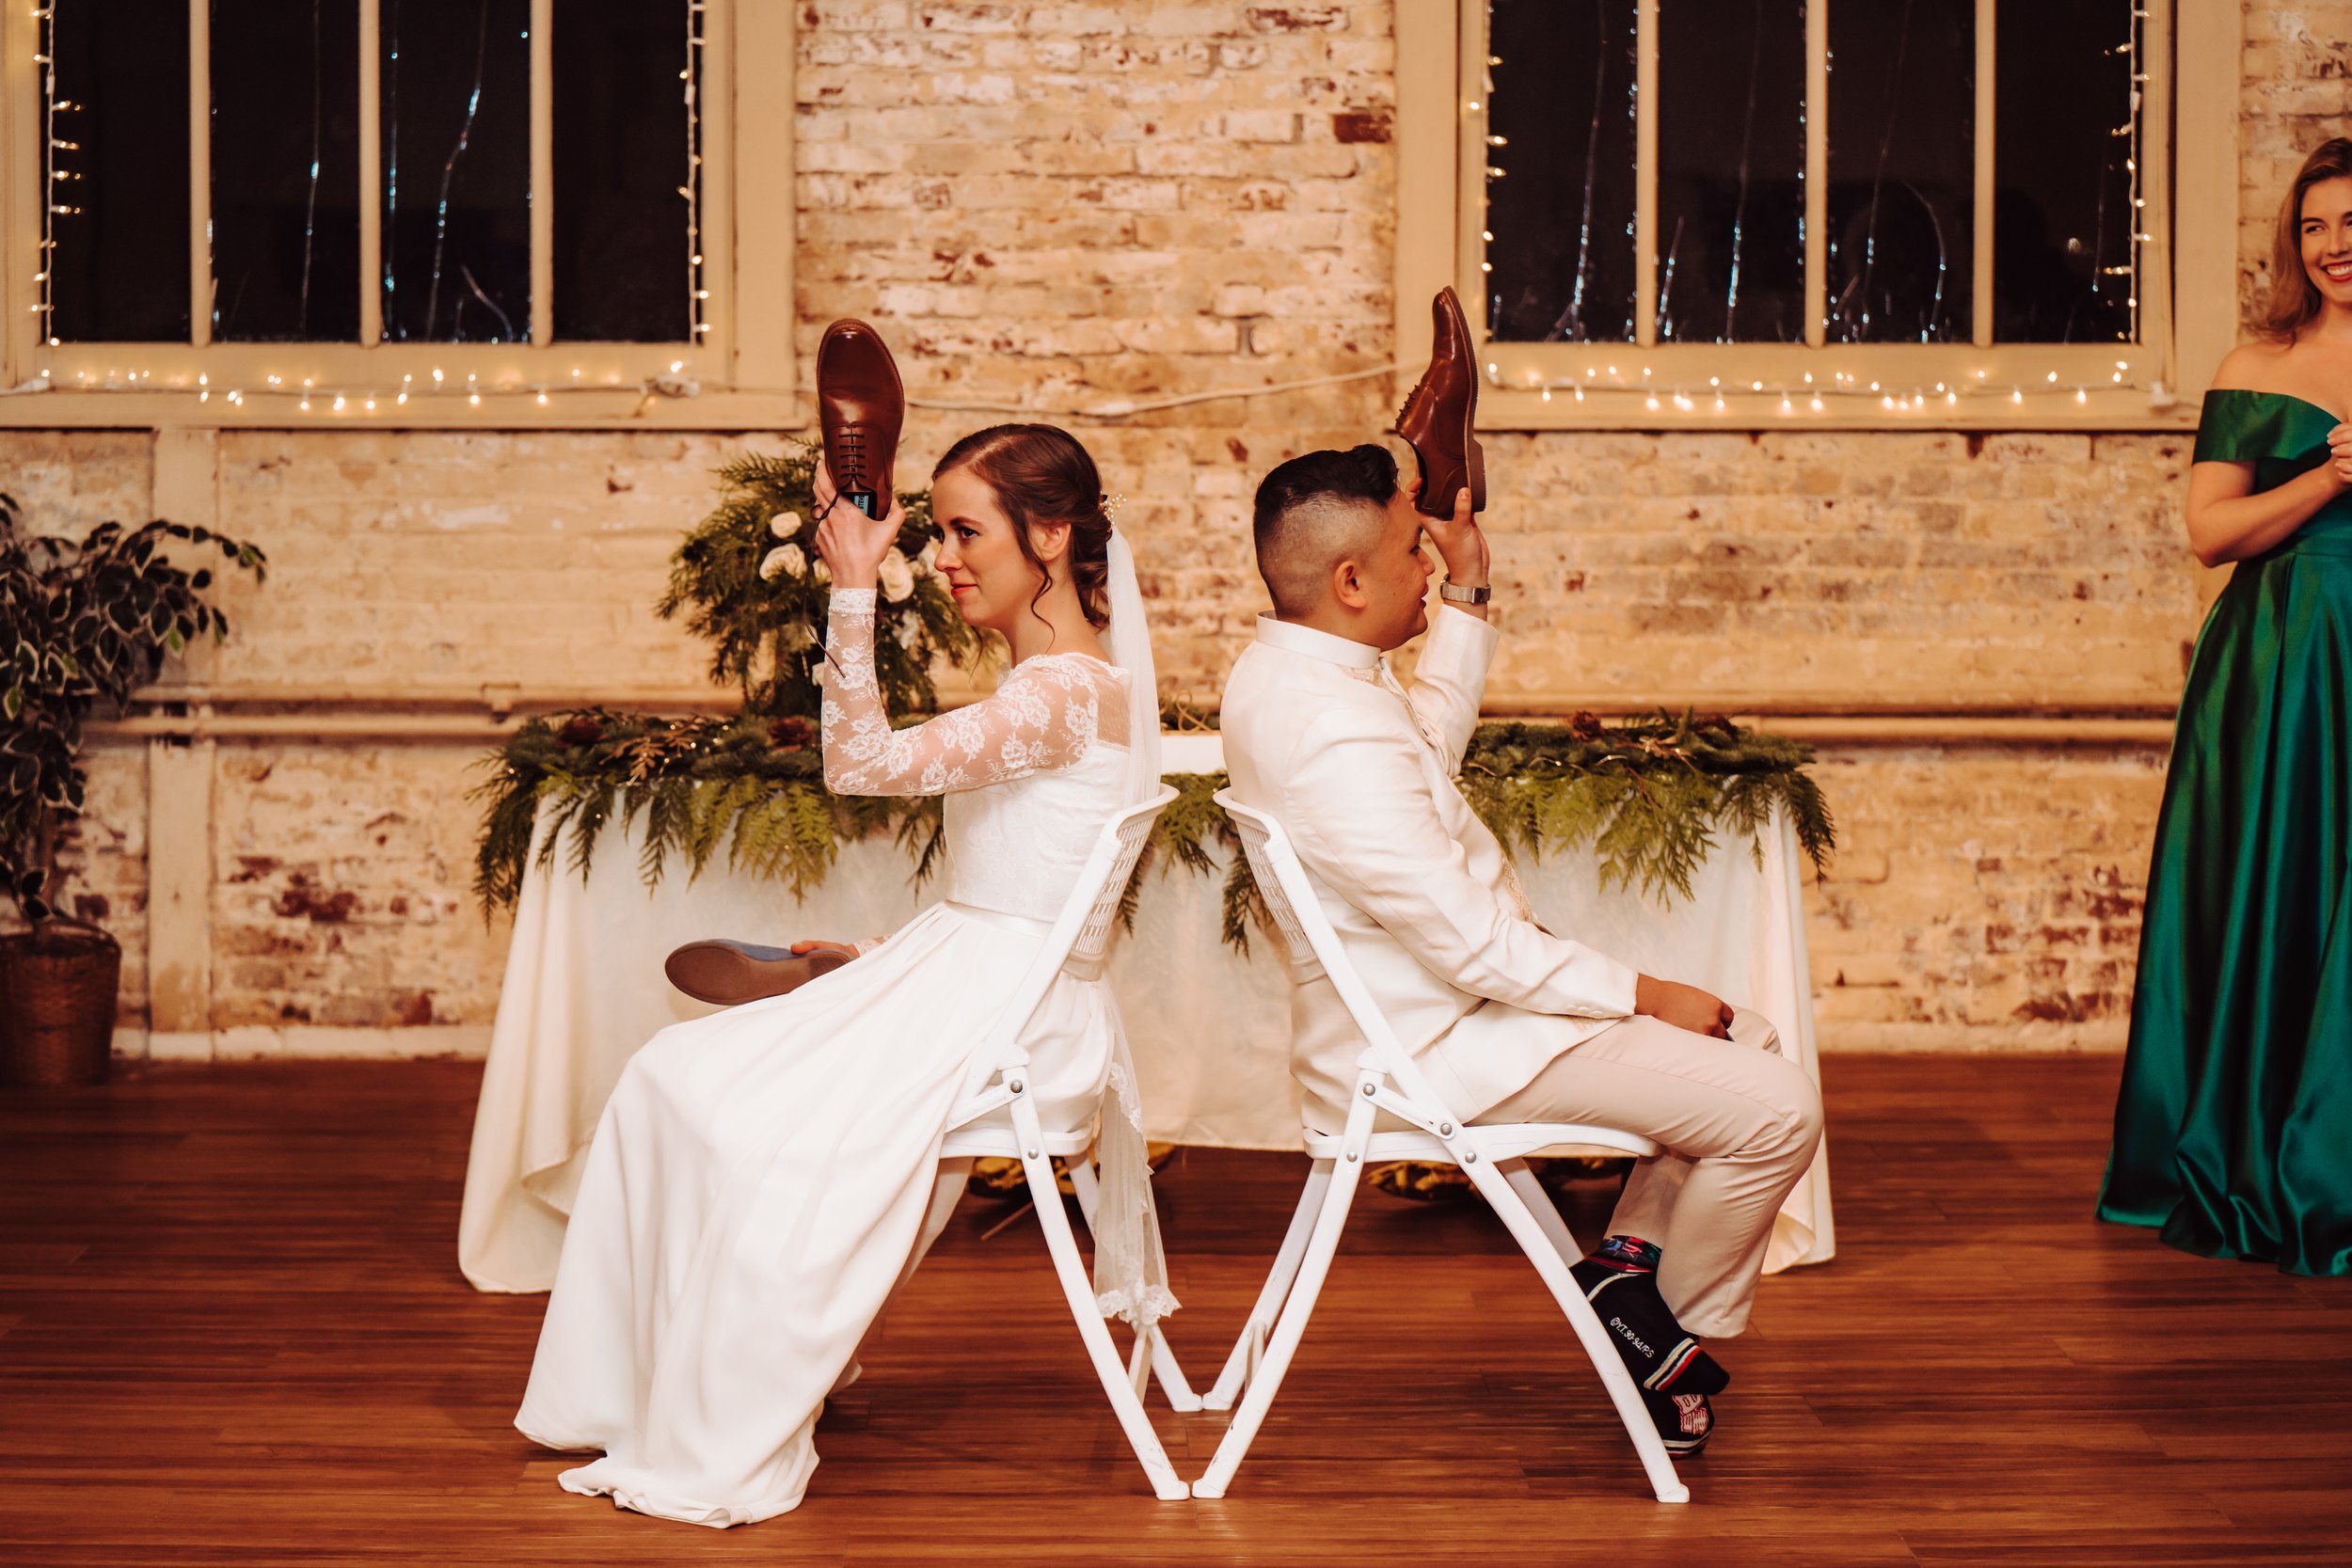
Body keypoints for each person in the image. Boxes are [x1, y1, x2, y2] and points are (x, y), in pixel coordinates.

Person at [515, 424, 1176, 1525]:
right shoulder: (1054, 685)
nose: (947, 555)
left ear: (1050, 535)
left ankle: (733, 1382)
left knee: (700, 1092)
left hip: (1010, 1015)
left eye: (966, 529)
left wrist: (856, 582)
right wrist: (874, 960)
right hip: (977, 971)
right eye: (941, 531)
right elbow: (1029, 886)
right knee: (675, 1076)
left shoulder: (1063, 693)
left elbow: (860, 766)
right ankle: (678, 1376)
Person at [1219, 442, 1823, 1455]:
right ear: (1350, 578)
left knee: (1748, 1038)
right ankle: (1656, 1343)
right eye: (1416, 550)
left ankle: (1626, 1273)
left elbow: (1418, 753)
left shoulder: (1297, 676)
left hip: (1444, 1010)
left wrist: (1470, 593)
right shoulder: (1328, 726)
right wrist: (1642, 990)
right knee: (1778, 1108)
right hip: (1434, 1042)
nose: (1430, 564)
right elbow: (1471, 945)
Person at [2099, 138, 2352, 1276]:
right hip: (2291, 661)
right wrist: (2333, 476)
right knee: (2283, 889)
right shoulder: (2259, 362)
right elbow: (2210, 533)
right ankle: (2268, 1151)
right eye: (2314, 225)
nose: (2335, 245)